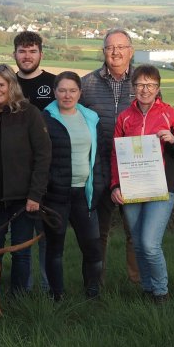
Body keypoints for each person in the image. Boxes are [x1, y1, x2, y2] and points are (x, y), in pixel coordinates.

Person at [0, 64, 51, 294]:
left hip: (23, 199)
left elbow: (43, 156)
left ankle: (18, 298)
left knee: (20, 252)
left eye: (0, 84)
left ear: (11, 85)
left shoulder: (29, 113)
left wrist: (35, 194)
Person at [110, 65, 174, 303]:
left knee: (149, 243)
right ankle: (147, 289)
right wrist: (115, 185)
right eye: (140, 85)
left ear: (158, 88)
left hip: (161, 189)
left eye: (150, 85)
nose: (145, 90)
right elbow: (116, 155)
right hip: (132, 188)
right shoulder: (124, 117)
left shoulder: (169, 114)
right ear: (132, 87)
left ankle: (161, 292)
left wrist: (173, 139)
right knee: (137, 242)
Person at [80, 28, 140, 285]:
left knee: (135, 231)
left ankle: (138, 283)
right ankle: (96, 285)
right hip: (99, 166)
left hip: (135, 167)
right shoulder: (87, 83)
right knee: (98, 232)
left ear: (131, 51)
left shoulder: (143, 82)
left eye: (120, 47)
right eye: (109, 47)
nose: (115, 52)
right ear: (103, 52)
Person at [41, 71, 105, 300]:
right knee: (55, 250)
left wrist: (99, 185)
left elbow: (98, 156)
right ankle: (57, 296)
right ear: (54, 92)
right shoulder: (45, 119)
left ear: (80, 92)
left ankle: (93, 294)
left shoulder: (90, 118)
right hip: (56, 195)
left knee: (93, 250)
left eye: (72, 90)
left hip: (85, 194)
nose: (67, 95)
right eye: (62, 90)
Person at [13, 30, 55, 291]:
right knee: (21, 237)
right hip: (15, 172)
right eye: (22, 51)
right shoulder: (6, 83)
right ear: (14, 54)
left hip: (46, 170)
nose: (27, 56)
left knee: (47, 236)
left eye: (32, 51)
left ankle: (50, 288)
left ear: (41, 53)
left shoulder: (54, 83)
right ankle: (22, 290)